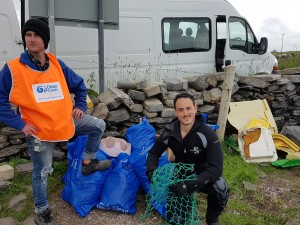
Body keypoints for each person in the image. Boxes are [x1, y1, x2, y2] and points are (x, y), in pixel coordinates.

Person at [0, 17, 111, 225]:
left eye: (36, 35)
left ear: (45, 39)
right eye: (28, 35)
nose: (31, 39)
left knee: (98, 125)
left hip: (65, 121)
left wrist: (79, 106)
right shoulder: (12, 69)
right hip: (39, 131)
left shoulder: (56, 64)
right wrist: (20, 124)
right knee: (42, 172)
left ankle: (88, 162)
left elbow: (79, 86)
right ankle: (41, 212)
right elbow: (0, 102)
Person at [146, 92, 229, 225]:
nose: (185, 113)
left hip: (203, 177)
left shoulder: (208, 134)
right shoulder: (169, 132)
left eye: (188, 108)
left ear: (195, 108)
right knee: (177, 221)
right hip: (180, 178)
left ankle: (212, 220)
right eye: (180, 110)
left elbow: (216, 169)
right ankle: (180, 211)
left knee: (220, 187)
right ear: (175, 112)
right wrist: (151, 171)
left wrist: (189, 184)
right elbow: (153, 154)